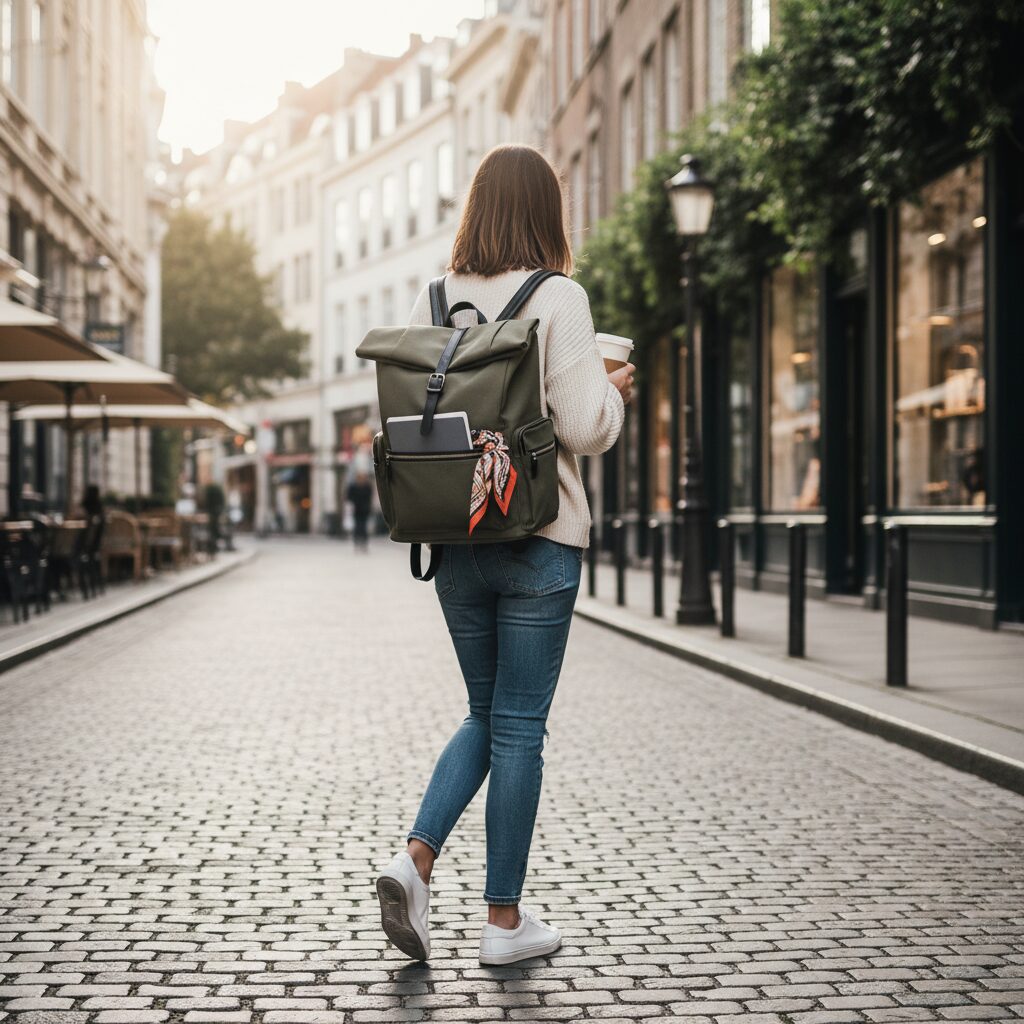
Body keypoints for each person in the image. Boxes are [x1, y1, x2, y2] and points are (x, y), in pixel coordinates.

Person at [375, 144, 633, 965]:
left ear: (476, 208)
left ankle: (414, 861)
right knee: (519, 727)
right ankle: (502, 923)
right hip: (538, 537)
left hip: (455, 539)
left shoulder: (431, 299)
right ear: (547, 212)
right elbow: (586, 428)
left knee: (484, 714)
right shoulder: (559, 296)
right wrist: (614, 392)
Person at [346, 472, 373, 551]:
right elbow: (349, 497)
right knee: (357, 526)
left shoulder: (367, 487)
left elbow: (369, 498)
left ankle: (364, 543)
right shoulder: (353, 487)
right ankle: (357, 542)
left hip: (365, 510)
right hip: (356, 509)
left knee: (364, 526)